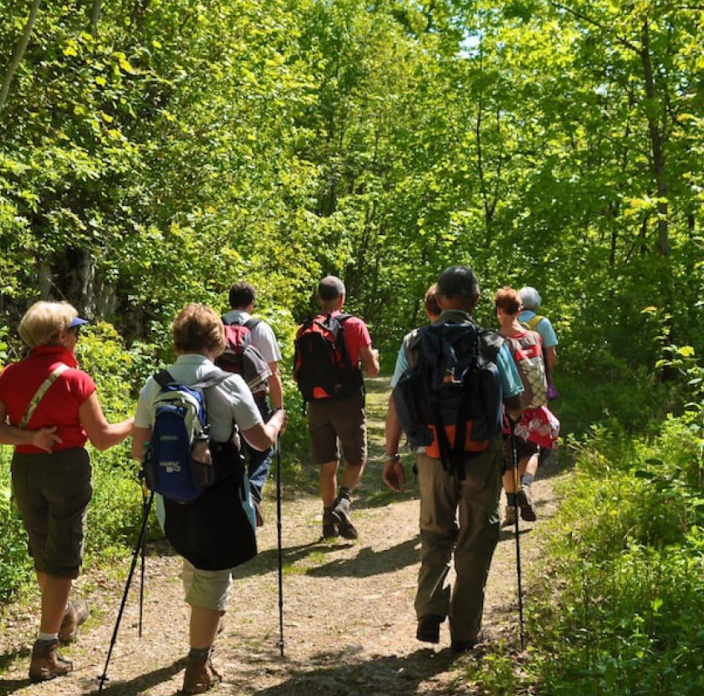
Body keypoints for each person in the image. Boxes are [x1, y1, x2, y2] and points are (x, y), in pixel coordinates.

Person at [0, 301, 134, 682]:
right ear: (60, 336)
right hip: (66, 470)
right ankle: (46, 649)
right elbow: (103, 438)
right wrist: (138, 421)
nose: (78, 336)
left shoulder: (11, 375)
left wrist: (30, 436)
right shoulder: (75, 380)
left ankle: (62, 617)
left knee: (43, 547)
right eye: (75, 330)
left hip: (26, 470)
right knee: (62, 559)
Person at [132, 303, 287, 694]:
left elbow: (140, 451)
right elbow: (259, 442)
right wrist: (278, 419)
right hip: (218, 495)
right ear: (217, 341)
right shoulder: (228, 382)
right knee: (214, 572)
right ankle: (197, 663)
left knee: (197, 562)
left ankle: (204, 634)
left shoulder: (156, 383)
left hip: (172, 497)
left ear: (177, 340)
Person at [382, 267, 525, 652]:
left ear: (439, 300)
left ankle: (430, 609)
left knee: (434, 530)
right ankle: (464, 631)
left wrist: (392, 455)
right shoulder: (493, 343)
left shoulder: (414, 342)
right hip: (481, 454)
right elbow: (514, 406)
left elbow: (398, 400)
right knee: (477, 537)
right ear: (477, 300)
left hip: (430, 452)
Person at [295, 276, 380, 540]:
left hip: (317, 404)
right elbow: (373, 370)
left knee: (328, 464)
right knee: (356, 459)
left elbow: (299, 374)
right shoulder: (354, 325)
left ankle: (328, 522)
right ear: (341, 298)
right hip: (347, 402)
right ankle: (342, 505)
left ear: (320, 298)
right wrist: (373, 356)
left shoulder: (304, 329)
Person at [221, 281, 283, 526]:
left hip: (220, 398)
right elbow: (273, 373)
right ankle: (253, 493)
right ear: (251, 303)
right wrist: (279, 410)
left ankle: (230, 498)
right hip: (254, 398)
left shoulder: (215, 326)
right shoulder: (260, 328)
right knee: (264, 449)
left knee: (227, 448)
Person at [494, 288, 544, 526]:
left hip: (505, 408)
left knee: (507, 459)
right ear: (520, 310)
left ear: (499, 311)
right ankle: (525, 485)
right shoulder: (534, 337)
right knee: (531, 450)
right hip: (531, 405)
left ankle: (512, 508)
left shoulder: (494, 341)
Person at [518, 287, 558, 398]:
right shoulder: (543, 323)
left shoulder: (512, 322)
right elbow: (551, 354)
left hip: (516, 376)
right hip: (538, 376)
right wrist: (547, 374)